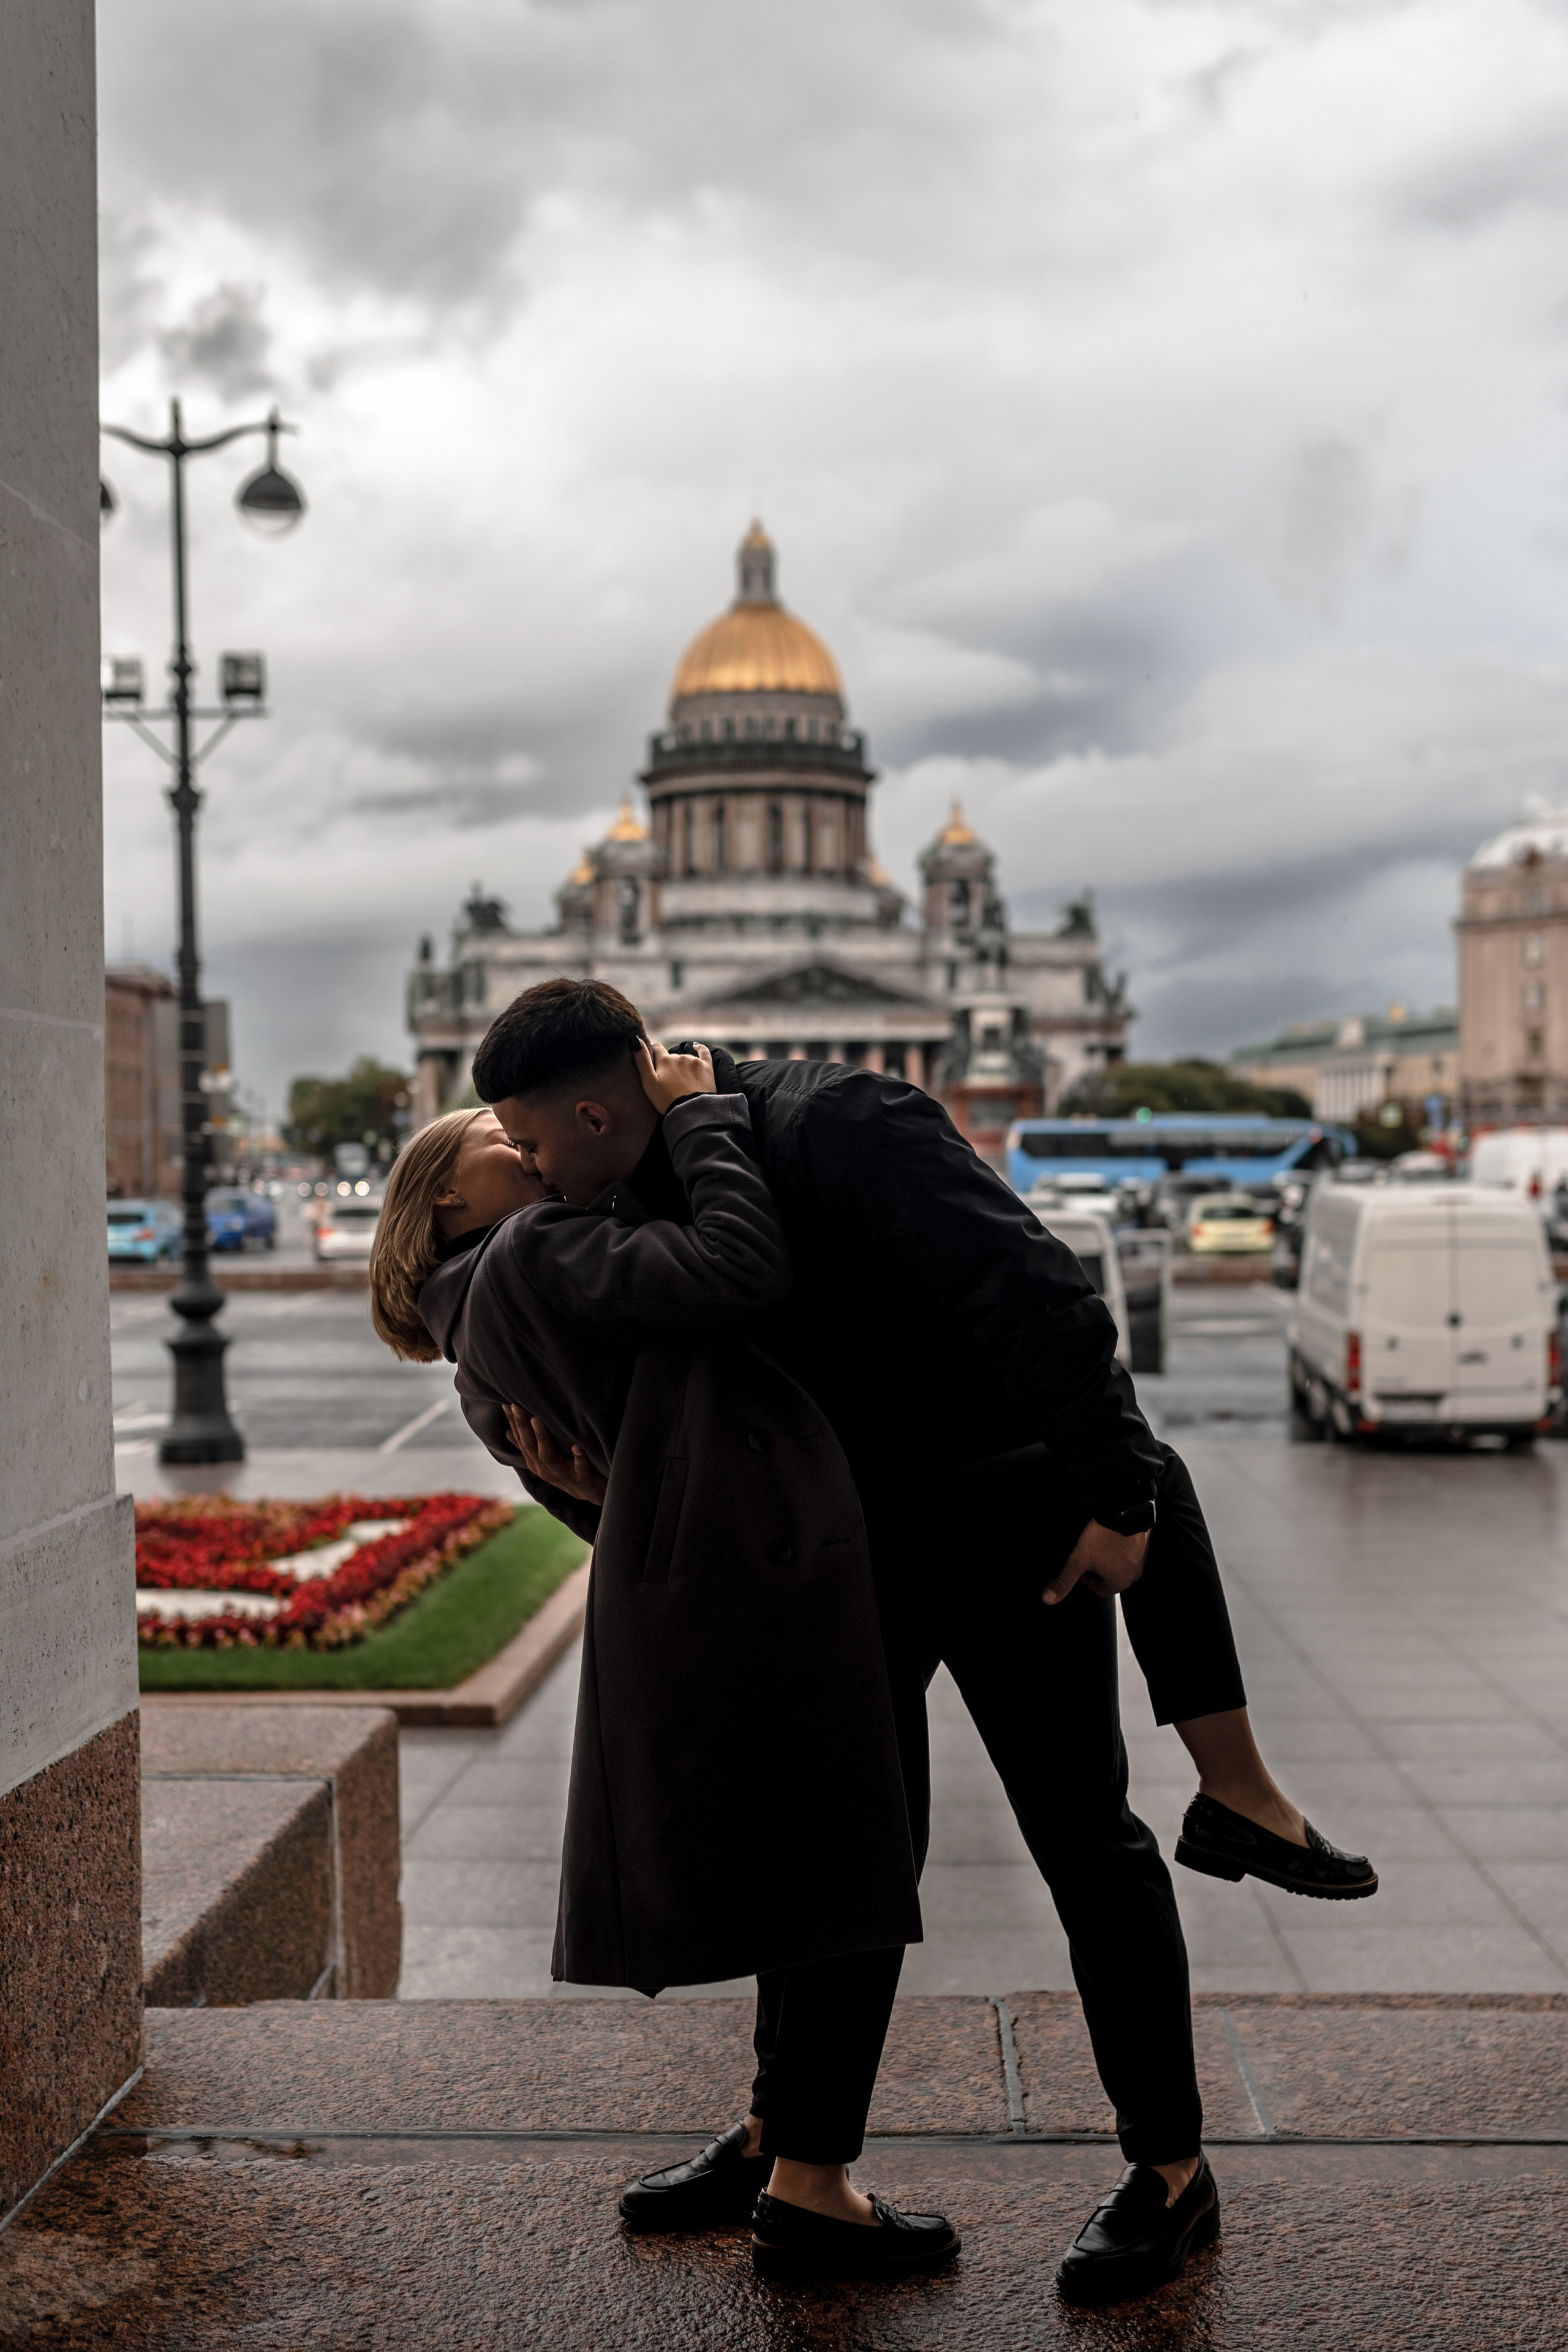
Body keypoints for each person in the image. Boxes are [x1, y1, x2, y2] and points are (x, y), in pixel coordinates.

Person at [457, 978, 1374, 2304]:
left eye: (532, 1145)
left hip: (1013, 1535)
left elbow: (1038, 1295)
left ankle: (1170, 2174)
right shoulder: (623, 1193)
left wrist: (1119, 1501)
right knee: (828, 1856)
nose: (526, 1174)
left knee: (1085, 1844)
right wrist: (587, 1486)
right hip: (833, 1562)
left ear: (597, 1109)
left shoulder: (844, 1117)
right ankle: (794, 2150)